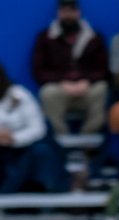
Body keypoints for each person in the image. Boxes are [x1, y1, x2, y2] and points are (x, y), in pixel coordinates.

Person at [0, 59, 70, 194]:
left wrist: (14, 139)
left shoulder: (20, 94)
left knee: (42, 150)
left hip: (22, 147)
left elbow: (38, 128)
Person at [32, 0, 109, 135]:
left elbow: (103, 70)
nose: (68, 15)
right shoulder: (45, 38)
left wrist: (87, 81)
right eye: (64, 11)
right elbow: (39, 71)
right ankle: (61, 138)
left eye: (71, 11)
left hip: (87, 89)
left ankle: (87, 137)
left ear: (78, 13)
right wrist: (62, 82)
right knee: (47, 92)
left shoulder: (94, 37)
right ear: (58, 13)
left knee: (102, 88)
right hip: (60, 89)